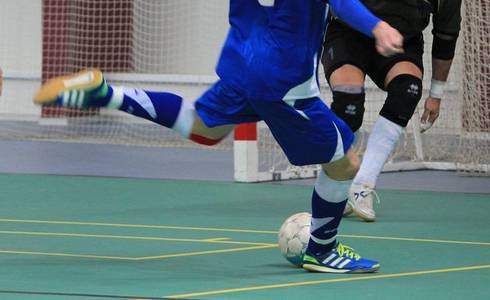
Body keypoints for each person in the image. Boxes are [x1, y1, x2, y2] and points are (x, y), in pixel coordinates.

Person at [34, 0, 402, 273]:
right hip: (282, 77)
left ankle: (106, 94)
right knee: (344, 159)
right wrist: (375, 26)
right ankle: (322, 249)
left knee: (205, 128)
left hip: (241, 60)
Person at [323, 0, 462, 222]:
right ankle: (336, 184)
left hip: (401, 41)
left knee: (408, 90)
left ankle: (362, 185)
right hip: (349, 33)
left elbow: (446, 36)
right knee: (349, 104)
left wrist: (435, 94)